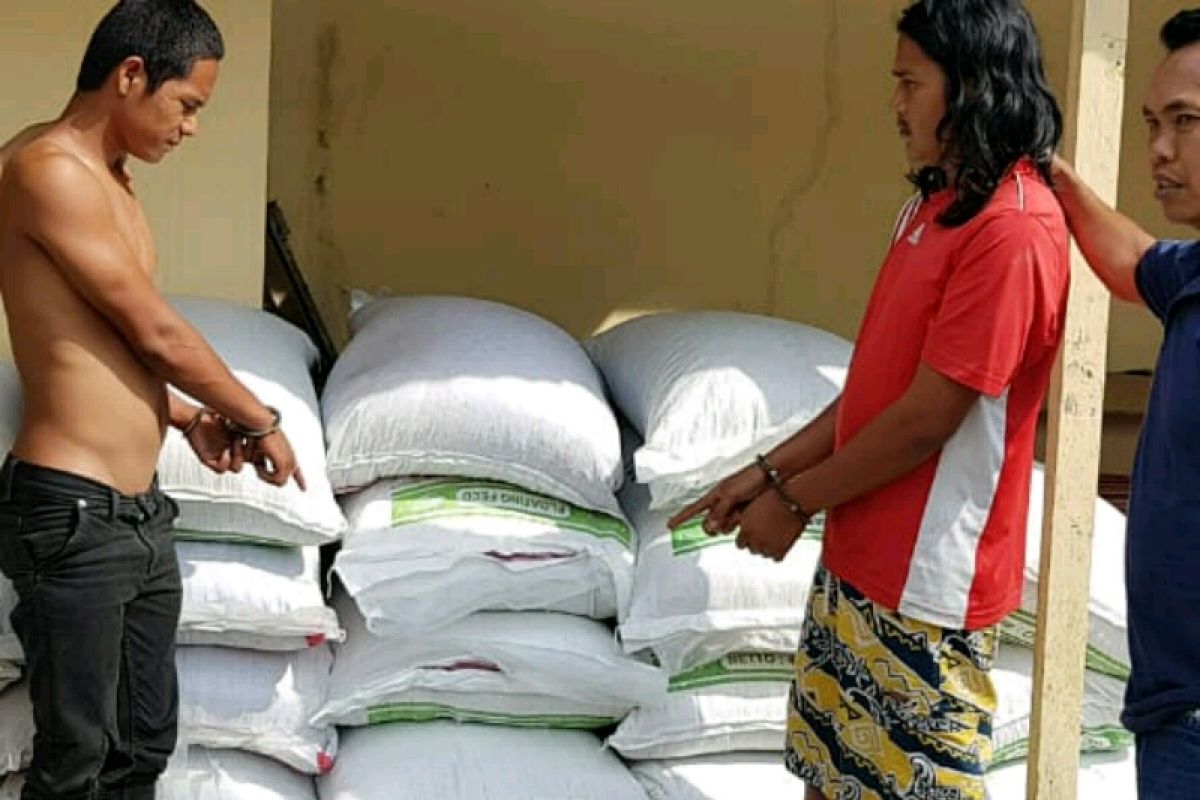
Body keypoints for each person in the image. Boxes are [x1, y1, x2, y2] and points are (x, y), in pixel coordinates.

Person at [671, 2, 1068, 798]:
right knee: (828, 777)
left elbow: (927, 420)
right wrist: (765, 473)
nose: (896, 105)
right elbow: (875, 390)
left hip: (929, 590)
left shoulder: (1013, 232)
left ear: (972, 88)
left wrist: (794, 500)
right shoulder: (934, 207)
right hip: (858, 561)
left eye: (909, 84)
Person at [0, 2, 305, 797]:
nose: (191, 128)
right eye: (188, 105)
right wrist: (257, 417)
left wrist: (186, 416)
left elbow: (108, 347)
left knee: (142, 750)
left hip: (137, 514)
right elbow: (158, 331)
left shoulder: (114, 182)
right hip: (72, 515)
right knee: (76, 763)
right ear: (131, 75)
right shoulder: (47, 169)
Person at [1051, 9, 1200, 799]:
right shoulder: (1191, 273)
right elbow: (1131, 259)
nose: (1160, 150)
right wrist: (1054, 172)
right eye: (1152, 123)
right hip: (1173, 718)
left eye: (1186, 122)